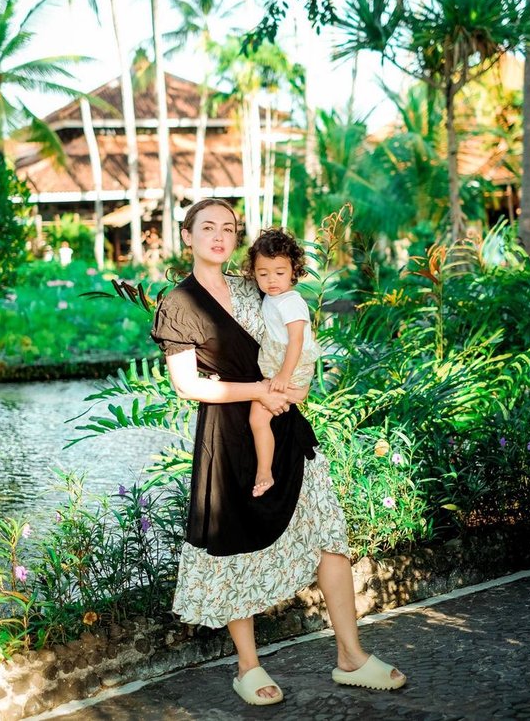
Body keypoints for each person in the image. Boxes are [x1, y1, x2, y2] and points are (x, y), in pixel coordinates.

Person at [151, 198, 406, 707]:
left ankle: (351, 656)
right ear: (187, 236)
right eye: (208, 227)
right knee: (234, 547)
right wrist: (259, 390)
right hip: (229, 436)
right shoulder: (178, 303)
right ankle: (248, 666)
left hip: (284, 425)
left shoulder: (257, 285)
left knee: (329, 531)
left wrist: (291, 386)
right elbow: (187, 385)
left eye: (229, 228)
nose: (219, 236)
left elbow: (295, 339)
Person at [245, 228, 321, 498]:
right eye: (263, 273)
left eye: (279, 272)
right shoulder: (273, 297)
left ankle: (264, 472)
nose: (271, 280)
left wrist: (285, 378)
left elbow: (297, 341)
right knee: (258, 418)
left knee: (257, 417)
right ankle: (265, 471)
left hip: (291, 366)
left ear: (294, 271)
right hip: (281, 366)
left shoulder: (290, 301)